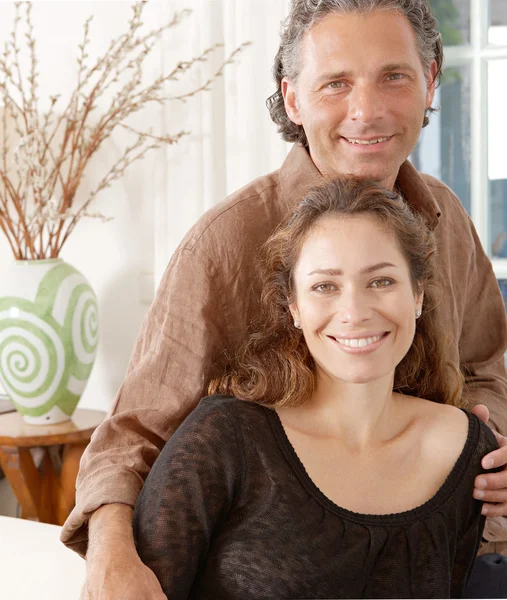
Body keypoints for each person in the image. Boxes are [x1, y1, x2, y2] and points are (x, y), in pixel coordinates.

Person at [61, 1, 507, 599]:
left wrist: (488, 450)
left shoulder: (447, 217)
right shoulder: (225, 244)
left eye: (394, 76)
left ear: (429, 82)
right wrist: (112, 556)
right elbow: (132, 436)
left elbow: (486, 368)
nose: (367, 110)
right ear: (293, 99)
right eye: (336, 83)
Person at [132, 177, 499, 599]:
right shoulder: (223, 440)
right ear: (294, 307)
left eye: (381, 281)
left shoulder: (466, 450)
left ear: (417, 294)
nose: (355, 312)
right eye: (325, 286)